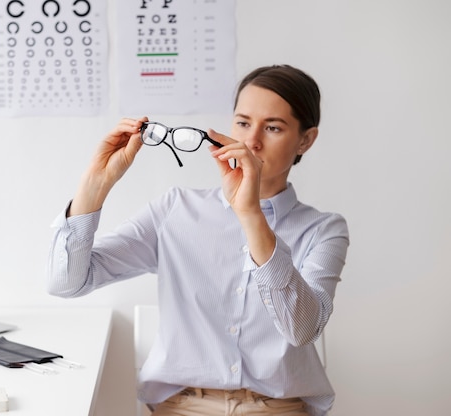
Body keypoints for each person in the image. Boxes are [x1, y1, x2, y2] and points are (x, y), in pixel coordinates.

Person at [46, 65, 349, 416]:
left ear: (305, 140)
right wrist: (95, 185)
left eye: (273, 127)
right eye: (243, 122)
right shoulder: (175, 210)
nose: (252, 141)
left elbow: (302, 330)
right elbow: (66, 283)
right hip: (182, 406)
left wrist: (250, 214)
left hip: (276, 408)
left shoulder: (324, 229)